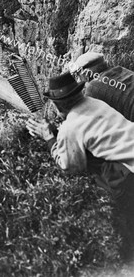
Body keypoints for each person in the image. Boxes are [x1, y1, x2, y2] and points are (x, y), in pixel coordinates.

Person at [27, 72, 134, 258]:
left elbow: (68, 167)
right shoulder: (96, 103)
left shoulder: (71, 127)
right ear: (78, 92)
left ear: (56, 103)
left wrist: (49, 138)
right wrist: (59, 132)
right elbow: (89, 131)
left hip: (130, 172)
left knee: (121, 210)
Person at [71, 52, 134, 121]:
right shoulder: (122, 70)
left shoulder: (93, 87)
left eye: (78, 74)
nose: (78, 79)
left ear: (87, 74)